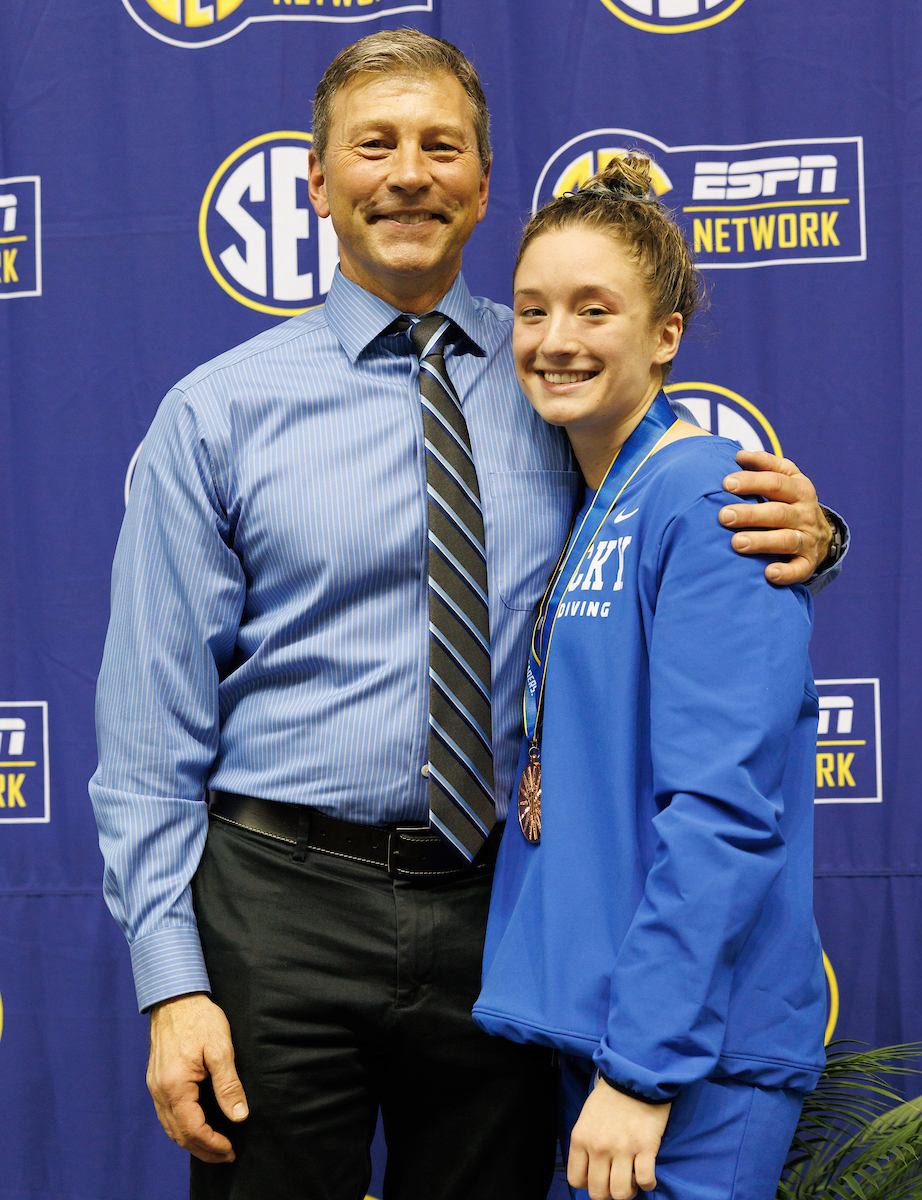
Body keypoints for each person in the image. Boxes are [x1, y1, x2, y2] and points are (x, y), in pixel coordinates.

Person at [90, 31, 843, 1200]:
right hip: (277, 904)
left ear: (485, 187)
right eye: (373, 145)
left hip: (503, 911)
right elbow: (148, 737)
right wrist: (173, 981)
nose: (407, 173)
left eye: (442, 147)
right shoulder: (216, 414)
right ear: (319, 183)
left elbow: (674, 536)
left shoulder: (553, 369)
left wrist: (815, 537)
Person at [473, 153, 827, 1200]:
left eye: (595, 309)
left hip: (684, 1060)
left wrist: (644, 1067)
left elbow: (724, 808)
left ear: (666, 336)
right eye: (532, 310)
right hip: (608, 1030)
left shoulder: (708, 493)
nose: (556, 340)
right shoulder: (598, 501)